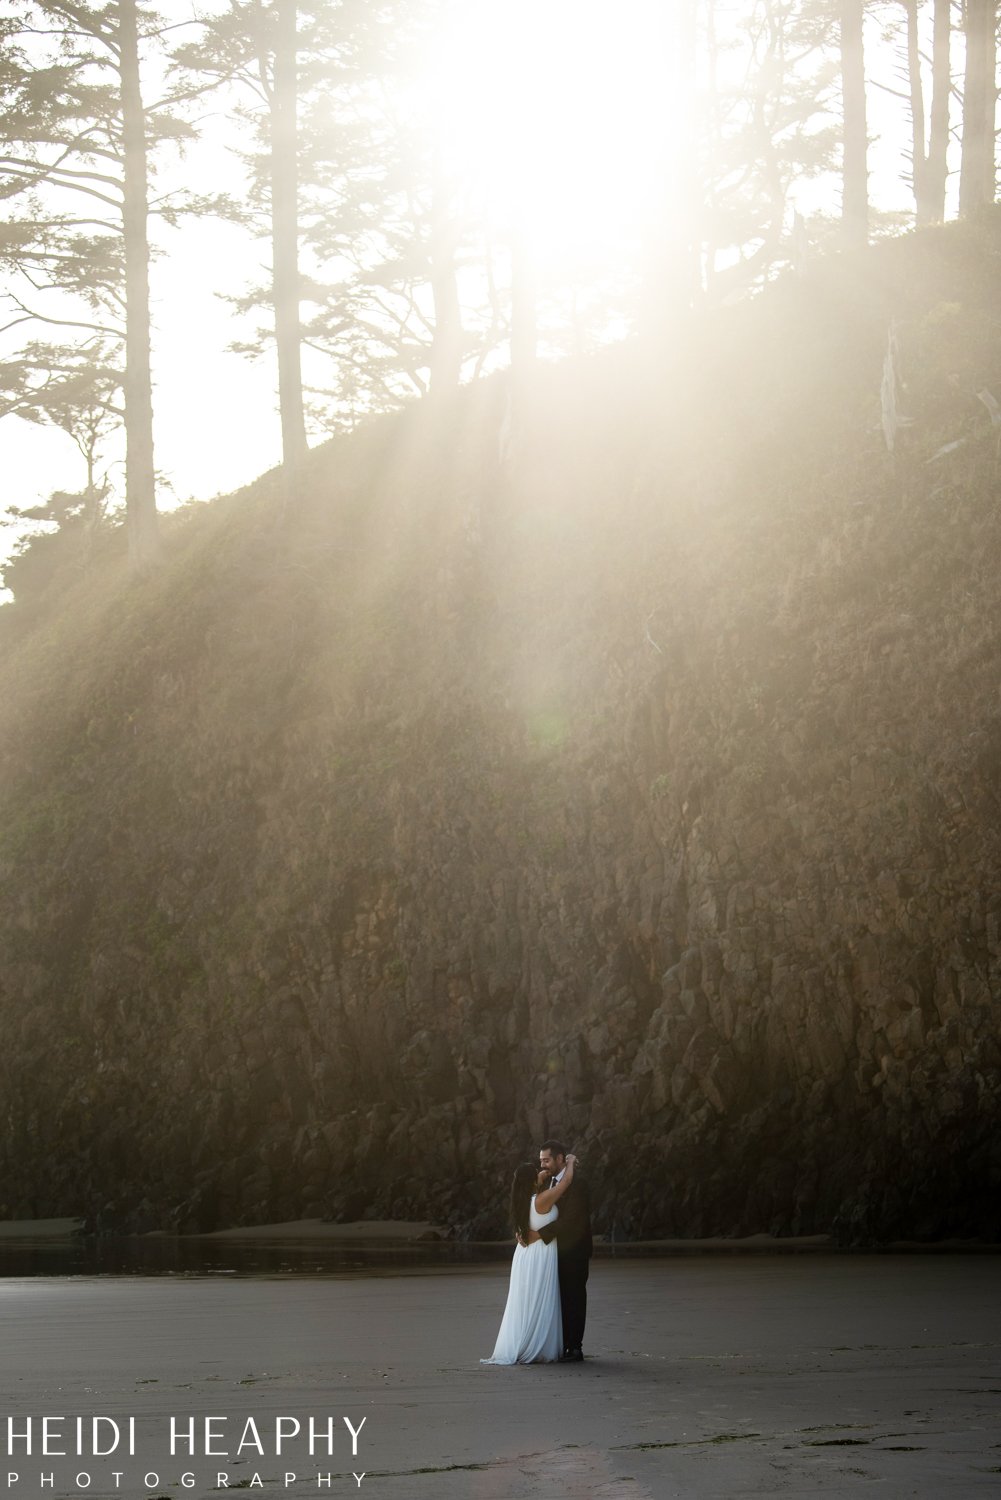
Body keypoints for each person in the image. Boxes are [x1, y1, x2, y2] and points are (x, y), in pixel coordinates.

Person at [480, 1155, 578, 1365]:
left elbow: (537, 1184)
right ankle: (536, 1346)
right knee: (540, 1298)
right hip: (540, 1254)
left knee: (526, 1300)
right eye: (537, 1172)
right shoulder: (542, 1200)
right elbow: (566, 1182)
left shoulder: (521, 1202)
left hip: (525, 1255)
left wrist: (538, 1177)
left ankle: (524, 1342)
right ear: (533, 1180)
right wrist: (570, 1162)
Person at [537, 1138, 593, 1362]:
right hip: (552, 1252)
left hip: (575, 1251)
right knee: (556, 1298)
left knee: (574, 1298)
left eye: (547, 1160)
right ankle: (560, 1344)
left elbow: (571, 1220)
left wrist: (539, 1235)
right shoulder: (546, 1183)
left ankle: (575, 1347)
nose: (543, 1165)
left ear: (561, 1159)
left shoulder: (578, 1184)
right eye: (541, 1160)